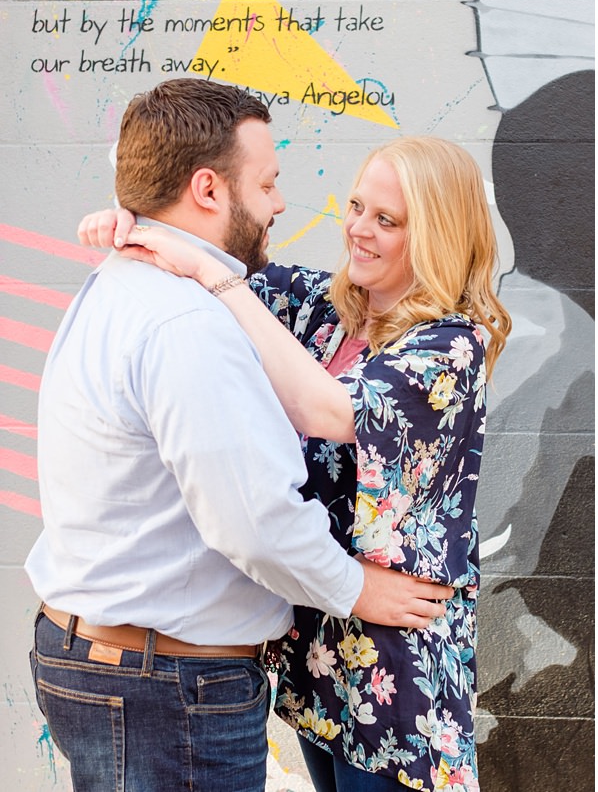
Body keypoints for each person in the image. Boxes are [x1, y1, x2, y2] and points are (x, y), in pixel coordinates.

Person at [28, 78, 454, 792]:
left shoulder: (121, 282)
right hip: (167, 687)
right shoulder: (187, 322)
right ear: (207, 189)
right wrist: (358, 589)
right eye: (267, 182)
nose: (280, 203)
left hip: (98, 656)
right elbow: (254, 520)